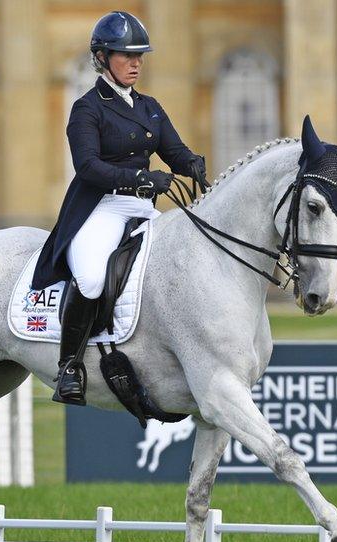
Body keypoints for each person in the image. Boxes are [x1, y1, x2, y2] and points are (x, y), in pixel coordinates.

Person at [30, 10, 208, 406]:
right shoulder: (87, 108)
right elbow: (88, 167)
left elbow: (174, 152)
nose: (135, 63)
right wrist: (142, 179)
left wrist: (193, 164)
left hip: (142, 209)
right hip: (100, 208)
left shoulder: (150, 107)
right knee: (92, 278)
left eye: (139, 56)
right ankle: (70, 368)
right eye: (126, 55)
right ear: (102, 58)